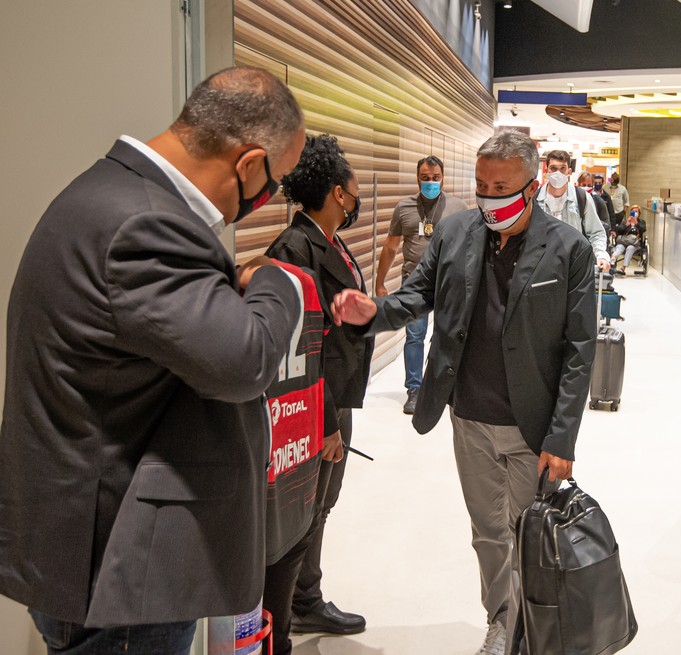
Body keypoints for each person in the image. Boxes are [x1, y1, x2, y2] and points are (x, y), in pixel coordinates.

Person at [0, 66, 306, 654]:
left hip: (97, 549)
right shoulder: (148, 223)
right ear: (248, 163)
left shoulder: (108, 192)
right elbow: (244, 362)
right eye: (278, 180)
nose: (273, 198)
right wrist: (276, 281)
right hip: (120, 565)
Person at [330, 131, 596, 655]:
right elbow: (417, 294)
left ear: (533, 184)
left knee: (526, 532)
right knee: (487, 531)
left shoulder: (569, 250)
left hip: (532, 423)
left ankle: (526, 631)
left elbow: (580, 351)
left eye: (502, 186)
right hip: (469, 415)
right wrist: (374, 311)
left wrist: (562, 439)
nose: (489, 195)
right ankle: (501, 621)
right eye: (480, 184)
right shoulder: (454, 233)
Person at [264, 134, 373, 642]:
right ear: (336, 191)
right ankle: (285, 615)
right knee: (304, 513)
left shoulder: (328, 239)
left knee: (321, 508)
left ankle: (306, 600)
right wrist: (325, 423)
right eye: (352, 185)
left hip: (336, 398)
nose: (356, 194)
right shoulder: (293, 247)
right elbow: (306, 348)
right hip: (315, 409)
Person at [376, 156, 468, 415]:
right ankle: (414, 389)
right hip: (414, 281)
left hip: (448, 282)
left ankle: (442, 386)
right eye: (425, 178)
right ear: (417, 178)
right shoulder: (403, 208)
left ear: (443, 177)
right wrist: (380, 282)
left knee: (446, 334)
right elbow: (391, 246)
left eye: (435, 177)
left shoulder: (458, 207)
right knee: (414, 336)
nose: (430, 182)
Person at [536, 149, 611, 272]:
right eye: (553, 168)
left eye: (562, 168)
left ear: (569, 171)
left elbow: (596, 232)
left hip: (574, 264)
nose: (558, 173)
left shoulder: (581, 198)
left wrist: (601, 255)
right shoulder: (535, 199)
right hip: (543, 265)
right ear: (546, 171)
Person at [611, 205, 646, 275]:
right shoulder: (625, 221)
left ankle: (623, 268)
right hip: (623, 242)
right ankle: (613, 257)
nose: (634, 212)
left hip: (634, 244)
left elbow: (643, 229)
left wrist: (637, 224)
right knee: (620, 247)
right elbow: (618, 231)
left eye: (636, 211)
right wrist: (626, 225)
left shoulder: (641, 222)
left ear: (639, 214)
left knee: (630, 248)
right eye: (632, 211)